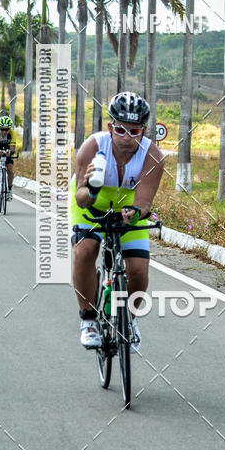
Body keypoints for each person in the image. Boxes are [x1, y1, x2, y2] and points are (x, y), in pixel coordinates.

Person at [70, 92, 165, 352]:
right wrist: (91, 189)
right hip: (92, 204)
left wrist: (136, 212)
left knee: (138, 269)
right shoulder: (92, 147)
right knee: (84, 251)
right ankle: (88, 319)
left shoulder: (152, 155)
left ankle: (129, 320)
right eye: (121, 130)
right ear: (110, 127)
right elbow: (80, 198)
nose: (127, 138)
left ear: (143, 131)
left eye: (134, 131)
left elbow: (144, 202)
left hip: (128, 207)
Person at [0, 115, 16, 200]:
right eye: (2, 129)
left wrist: (10, 152)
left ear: (9, 129)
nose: (4, 132)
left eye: (7, 129)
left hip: (7, 148)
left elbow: (13, 149)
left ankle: (9, 190)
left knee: (10, 170)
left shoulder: (12, 133)